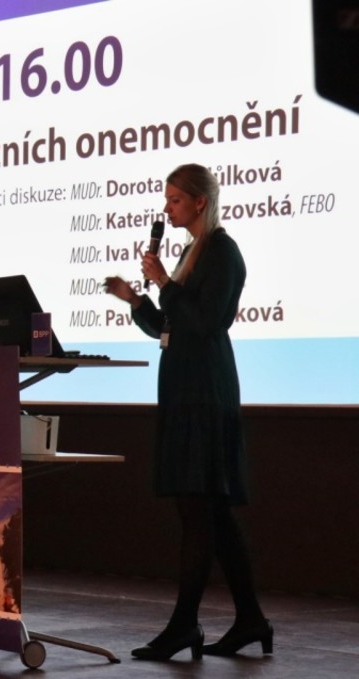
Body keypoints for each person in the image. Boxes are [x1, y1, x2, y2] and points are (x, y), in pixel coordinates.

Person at [104, 163, 270, 661]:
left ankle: (184, 627)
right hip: (183, 390)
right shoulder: (191, 253)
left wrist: (162, 281)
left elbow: (206, 323)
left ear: (200, 202)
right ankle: (250, 620)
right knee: (211, 513)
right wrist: (136, 299)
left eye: (175, 199)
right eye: (167, 199)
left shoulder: (222, 251)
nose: (167, 208)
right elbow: (170, 327)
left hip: (205, 394)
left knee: (198, 512)